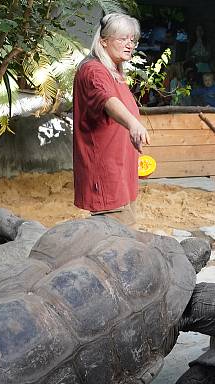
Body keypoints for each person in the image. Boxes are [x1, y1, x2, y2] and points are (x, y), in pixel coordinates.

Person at [72, 13, 149, 228]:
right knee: (115, 239)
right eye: (122, 39)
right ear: (103, 41)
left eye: (132, 40)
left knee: (124, 233)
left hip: (121, 171)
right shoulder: (93, 70)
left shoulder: (112, 70)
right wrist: (133, 123)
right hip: (107, 176)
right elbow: (107, 99)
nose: (129, 45)